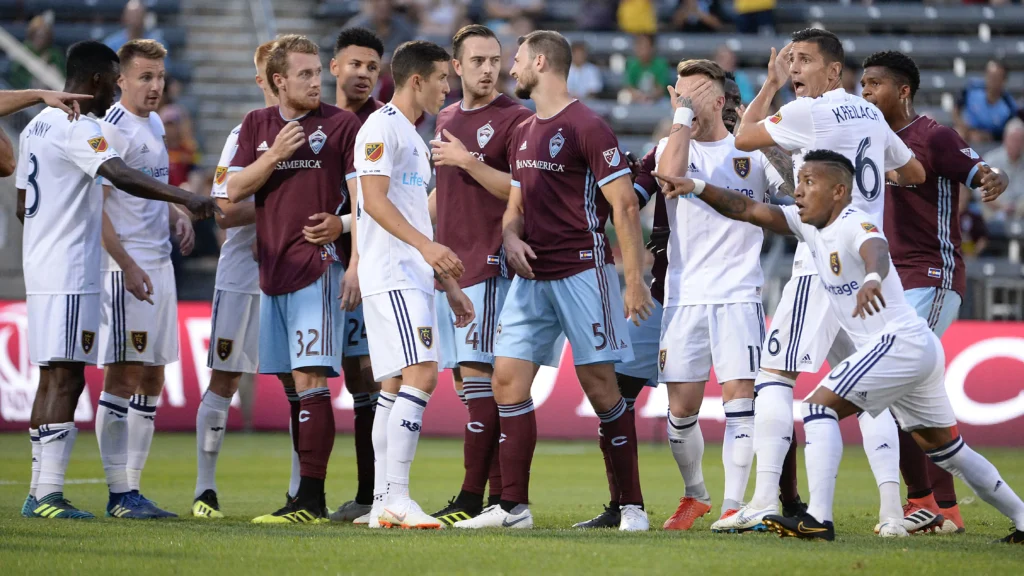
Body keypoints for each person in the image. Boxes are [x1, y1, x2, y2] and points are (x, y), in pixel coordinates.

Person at [653, 150, 1024, 545]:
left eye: (810, 183)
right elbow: (746, 207)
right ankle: (1022, 516)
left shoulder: (854, 221)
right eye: (799, 182)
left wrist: (873, 279)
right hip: (916, 350)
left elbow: (875, 250)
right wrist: (696, 187)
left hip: (897, 342)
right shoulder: (809, 224)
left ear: (839, 191)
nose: (799, 191)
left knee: (816, 406)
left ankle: (818, 519)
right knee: (949, 452)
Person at [726, 28, 927, 537]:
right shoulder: (871, 114)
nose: (794, 69)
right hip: (867, 267)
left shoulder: (806, 112)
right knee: (864, 391)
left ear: (834, 72)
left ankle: (765, 496)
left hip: (822, 262)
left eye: (803, 61)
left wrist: (768, 87)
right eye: (789, 61)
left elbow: (742, 137)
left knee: (775, 373)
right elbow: (916, 172)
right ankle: (890, 512)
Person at [455, 30, 653, 531]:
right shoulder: (523, 131)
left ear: (540, 62)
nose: (510, 68)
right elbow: (515, 206)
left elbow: (625, 205)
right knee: (506, 380)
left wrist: (632, 281)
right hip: (531, 275)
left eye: (517, 59)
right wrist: (511, 237)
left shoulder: (588, 125)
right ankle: (513, 508)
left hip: (583, 271)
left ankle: (629, 505)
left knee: (601, 386)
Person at [16, 40, 217, 520]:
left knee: (57, 376)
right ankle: (49, 495)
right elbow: (119, 175)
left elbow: (24, 205)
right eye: (114, 80)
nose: (114, 92)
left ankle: (40, 493)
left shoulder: (35, 125)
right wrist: (186, 198)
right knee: (66, 379)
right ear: (100, 81)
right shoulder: (79, 125)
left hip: (46, 264)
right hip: (72, 269)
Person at [861, 50, 1009, 534]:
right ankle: (940, 507)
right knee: (913, 391)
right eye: (862, 83)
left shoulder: (933, 136)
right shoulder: (865, 138)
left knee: (895, 379)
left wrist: (994, 177)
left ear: (903, 91)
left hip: (933, 275)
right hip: (890, 280)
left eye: (875, 83)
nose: (865, 91)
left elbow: (982, 171)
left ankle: (926, 501)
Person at [228, 34, 360, 523]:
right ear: (278, 80)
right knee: (290, 384)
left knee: (310, 381)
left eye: (316, 73)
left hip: (318, 267)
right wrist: (274, 154)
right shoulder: (256, 125)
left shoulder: (340, 125)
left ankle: (311, 498)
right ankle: (302, 494)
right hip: (273, 270)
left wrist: (354, 257)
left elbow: (365, 200)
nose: (315, 82)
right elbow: (232, 188)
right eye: (303, 75)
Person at [649, 59, 785, 531]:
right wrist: (681, 120)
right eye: (678, 94)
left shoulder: (750, 152)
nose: (683, 102)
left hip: (738, 293)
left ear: (720, 100)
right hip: (685, 295)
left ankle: (732, 504)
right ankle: (696, 495)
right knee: (681, 408)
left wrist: (769, 94)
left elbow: (790, 193)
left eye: (695, 94)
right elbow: (667, 182)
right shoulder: (671, 144)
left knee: (738, 400)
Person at [354, 40, 474, 530]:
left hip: (410, 275)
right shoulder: (381, 127)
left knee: (393, 385)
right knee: (422, 375)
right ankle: (399, 499)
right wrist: (426, 252)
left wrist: (446, 284)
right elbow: (374, 202)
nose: (450, 87)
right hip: (393, 274)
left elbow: (411, 216)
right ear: (417, 80)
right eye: (444, 78)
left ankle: (383, 499)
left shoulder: (410, 134)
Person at [423, 25, 534, 527]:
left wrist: (468, 162)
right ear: (456, 65)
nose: (489, 69)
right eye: (478, 61)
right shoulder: (445, 116)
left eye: (495, 60)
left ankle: (475, 498)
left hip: (488, 265)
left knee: (480, 382)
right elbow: (442, 194)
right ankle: (492, 501)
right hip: (449, 269)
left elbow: (524, 189)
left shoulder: (517, 118)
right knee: (469, 387)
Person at [94, 39, 194, 520]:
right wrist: (127, 265)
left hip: (159, 263)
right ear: (121, 79)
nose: (155, 87)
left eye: (159, 77)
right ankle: (119, 493)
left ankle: (133, 489)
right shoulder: (110, 129)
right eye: (144, 78)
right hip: (124, 267)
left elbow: (148, 184)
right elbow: (94, 210)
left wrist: (176, 210)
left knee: (152, 375)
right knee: (124, 372)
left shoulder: (154, 123)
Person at [191, 39, 278, 519]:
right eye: (272, 73)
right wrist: (277, 208)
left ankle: (299, 494)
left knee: (297, 383)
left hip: (296, 272)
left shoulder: (322, 134)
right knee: (224, 378)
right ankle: (205, 491)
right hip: (243, 273)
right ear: (264, 79)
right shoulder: (243, 134)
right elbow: (223, 212)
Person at [326, 26, 387, 525]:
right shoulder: (315, 122)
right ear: (334, 68)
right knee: (326, 379)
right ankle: (301, 494)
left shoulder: (382, 124)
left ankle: (374, 493)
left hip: (365, 268)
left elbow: (378, 201)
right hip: (314, 269)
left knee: (367, 376)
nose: (363, 74)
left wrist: (345, 232)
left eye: (372, 66)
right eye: (355, 65)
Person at [954, 60, 1018, 144]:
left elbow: (1006, 134)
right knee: (956, 134)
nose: (992, 81)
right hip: (967, 131)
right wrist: (962, 126)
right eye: (990, 76)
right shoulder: (972, 88)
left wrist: (987, 136)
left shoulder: (1009, 106)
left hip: (990, 140)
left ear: (1004, 80)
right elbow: (956, 109)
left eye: (996, 78)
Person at [9, 13, 65, 90]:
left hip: (52, 89)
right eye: (37, 35)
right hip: (27, 88)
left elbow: (63, 75)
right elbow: (16, 75)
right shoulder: (23, 50)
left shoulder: (53, 52)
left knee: (52, 69)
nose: (40, 39)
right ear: (32, 35)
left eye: (44, 35)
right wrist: (40, 64)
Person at [982, 118, 1024, 220]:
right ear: (1005, 139)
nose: (1016, 144)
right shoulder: (991, 160)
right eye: (1013, 139)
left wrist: (1019, 208)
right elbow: (981, 191)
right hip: (995, 213)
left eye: (1020, 140)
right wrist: (1002, 207)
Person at [623, 34, 674, 104]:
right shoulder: (632, 64)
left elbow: (661, 89)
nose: (641, 49)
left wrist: (649, 96)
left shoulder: (661, 64)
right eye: (638, 46)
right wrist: (638, 95)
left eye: (644, 46)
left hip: (657, 98)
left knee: (666, 103)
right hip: (638, 97)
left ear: (652, 48)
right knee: (624, 97)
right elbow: (629, 86)